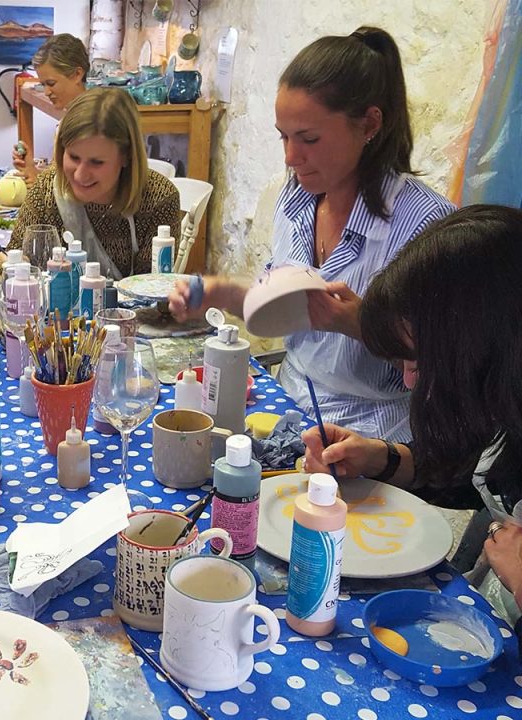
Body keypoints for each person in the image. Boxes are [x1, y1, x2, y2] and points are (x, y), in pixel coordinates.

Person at [168, 27, 455, 442]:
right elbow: (286, 305)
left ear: (369, 124)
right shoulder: (299, 198)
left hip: (371, 438)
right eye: (283, 136)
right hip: (289, 409)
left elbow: (449, 375)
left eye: (309, 138)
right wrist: (218, 292)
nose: (290, 156)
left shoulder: (424, 224)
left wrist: (363, 325)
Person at [300, 205, 522, 630]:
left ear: (487, 351)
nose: (408, 381)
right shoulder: (507, 410)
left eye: (418, 360)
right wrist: (383, 460)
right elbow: (475, 476)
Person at [8, 88, 179, 280]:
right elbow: (15, 264)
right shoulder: (46, 191)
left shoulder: (159, 197)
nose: (81, 175)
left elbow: (156, 292)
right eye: (73, 157)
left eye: (96, 162)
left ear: (126, 156)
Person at [12, 33, 90, 186]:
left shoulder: (90, 123)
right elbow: (63, 177)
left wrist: (40, 181)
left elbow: (80, 186)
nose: (47, 92)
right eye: (43, 84)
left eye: (51, 83)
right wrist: (32, 169)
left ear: (77, 74)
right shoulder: (69, 119)